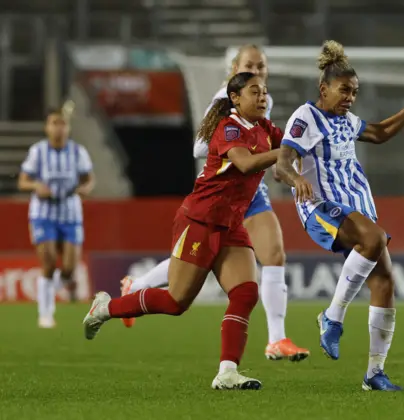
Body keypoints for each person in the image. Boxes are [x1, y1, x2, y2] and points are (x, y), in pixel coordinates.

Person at [83, 72, 283, 390]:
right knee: (176, 302)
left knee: (245, 293)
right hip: (200, 221)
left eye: (264, 92)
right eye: (254, 92)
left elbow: (290, 146)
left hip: (231, 223)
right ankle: (106, 308)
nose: (263, 97)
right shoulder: (228, 127)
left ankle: (227, 372)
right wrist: (286, 156)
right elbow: (246, 164)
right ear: (235, 98)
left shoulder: (264, 128)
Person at [121, 45, 308, 362]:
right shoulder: (225, 101)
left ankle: (277, 339)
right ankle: (137, 286)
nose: (258, 71)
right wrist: (236, 149)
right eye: (250, 65)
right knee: (195, 267)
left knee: (274, 253)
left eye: (262, 66)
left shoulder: (263, 99)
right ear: (234, 69)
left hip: (250, 193)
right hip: (220, 193)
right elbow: (198, 147)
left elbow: (273, 144)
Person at [275, 40, 404, 391]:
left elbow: (379, 133)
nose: (350, 98)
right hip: (321, 206)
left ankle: (375, 373)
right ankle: (332, 316)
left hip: (357, 207)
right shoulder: (306, 117)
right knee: (374, 238)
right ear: (323, 89)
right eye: (344, 91)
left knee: (385, 283)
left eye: (354, 92)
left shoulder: (346, 120)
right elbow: (282, 163)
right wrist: (297, 178)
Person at [18, 107, 95, 328]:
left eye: (62, 123)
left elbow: (89, 179)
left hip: (71, 214)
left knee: (70, 268)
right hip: (43, 214)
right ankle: (45, 313)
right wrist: (35, 186)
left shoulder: (77, 152)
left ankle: (47, 294)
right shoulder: (38, 152)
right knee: (49, 262)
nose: (59, 128)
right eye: (54, 123)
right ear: (46, 127)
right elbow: (23, 180)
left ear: (68, 127)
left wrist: (85, 188)